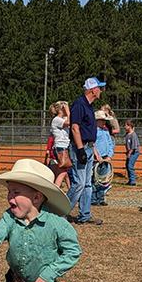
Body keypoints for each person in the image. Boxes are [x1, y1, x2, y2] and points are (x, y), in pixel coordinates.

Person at [67, 77, 107, 225]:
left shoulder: (89, 106)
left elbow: (87, 130)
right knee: (79, 184)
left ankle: (84, 215)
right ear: (92, 90)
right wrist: (80, 149)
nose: (101, 91)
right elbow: (74, 127)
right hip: (81, 147)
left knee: (87, 184)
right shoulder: (79, 104)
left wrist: (93, 150)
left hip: (89, 147)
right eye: (99, 88)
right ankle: (60, 214)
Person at [92, 110, 115, 206]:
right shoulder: (93, 131)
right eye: (102, 120)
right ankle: (93, 198)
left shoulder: (105, 131)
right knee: (95, 178)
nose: (104, 122)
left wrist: (109, 155)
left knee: (103, 179)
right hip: (97, 159)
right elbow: (92, 144)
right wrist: (97, 155)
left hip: (105, 158)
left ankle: (100, 198)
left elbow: (110, 143)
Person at [49, 100, 72, 189]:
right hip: (60, 147)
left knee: (63, 171)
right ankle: (55, 190)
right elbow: (69, 122)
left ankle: (67, 189)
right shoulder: (56, 120)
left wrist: (67, 113)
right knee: (63, 172)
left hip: (63, 147)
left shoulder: (60, 119)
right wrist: (68, 112)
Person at [124, 119, 140, 185]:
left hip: (134, 152)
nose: (124, 127)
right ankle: (130, 180)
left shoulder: (133, 135)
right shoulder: (127, 134)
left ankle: (133, 181)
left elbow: (134, 146)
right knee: (127, 165)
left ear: (129, 126)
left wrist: (129, 153)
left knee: (130, 165)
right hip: (130, 152)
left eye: (125, 125)